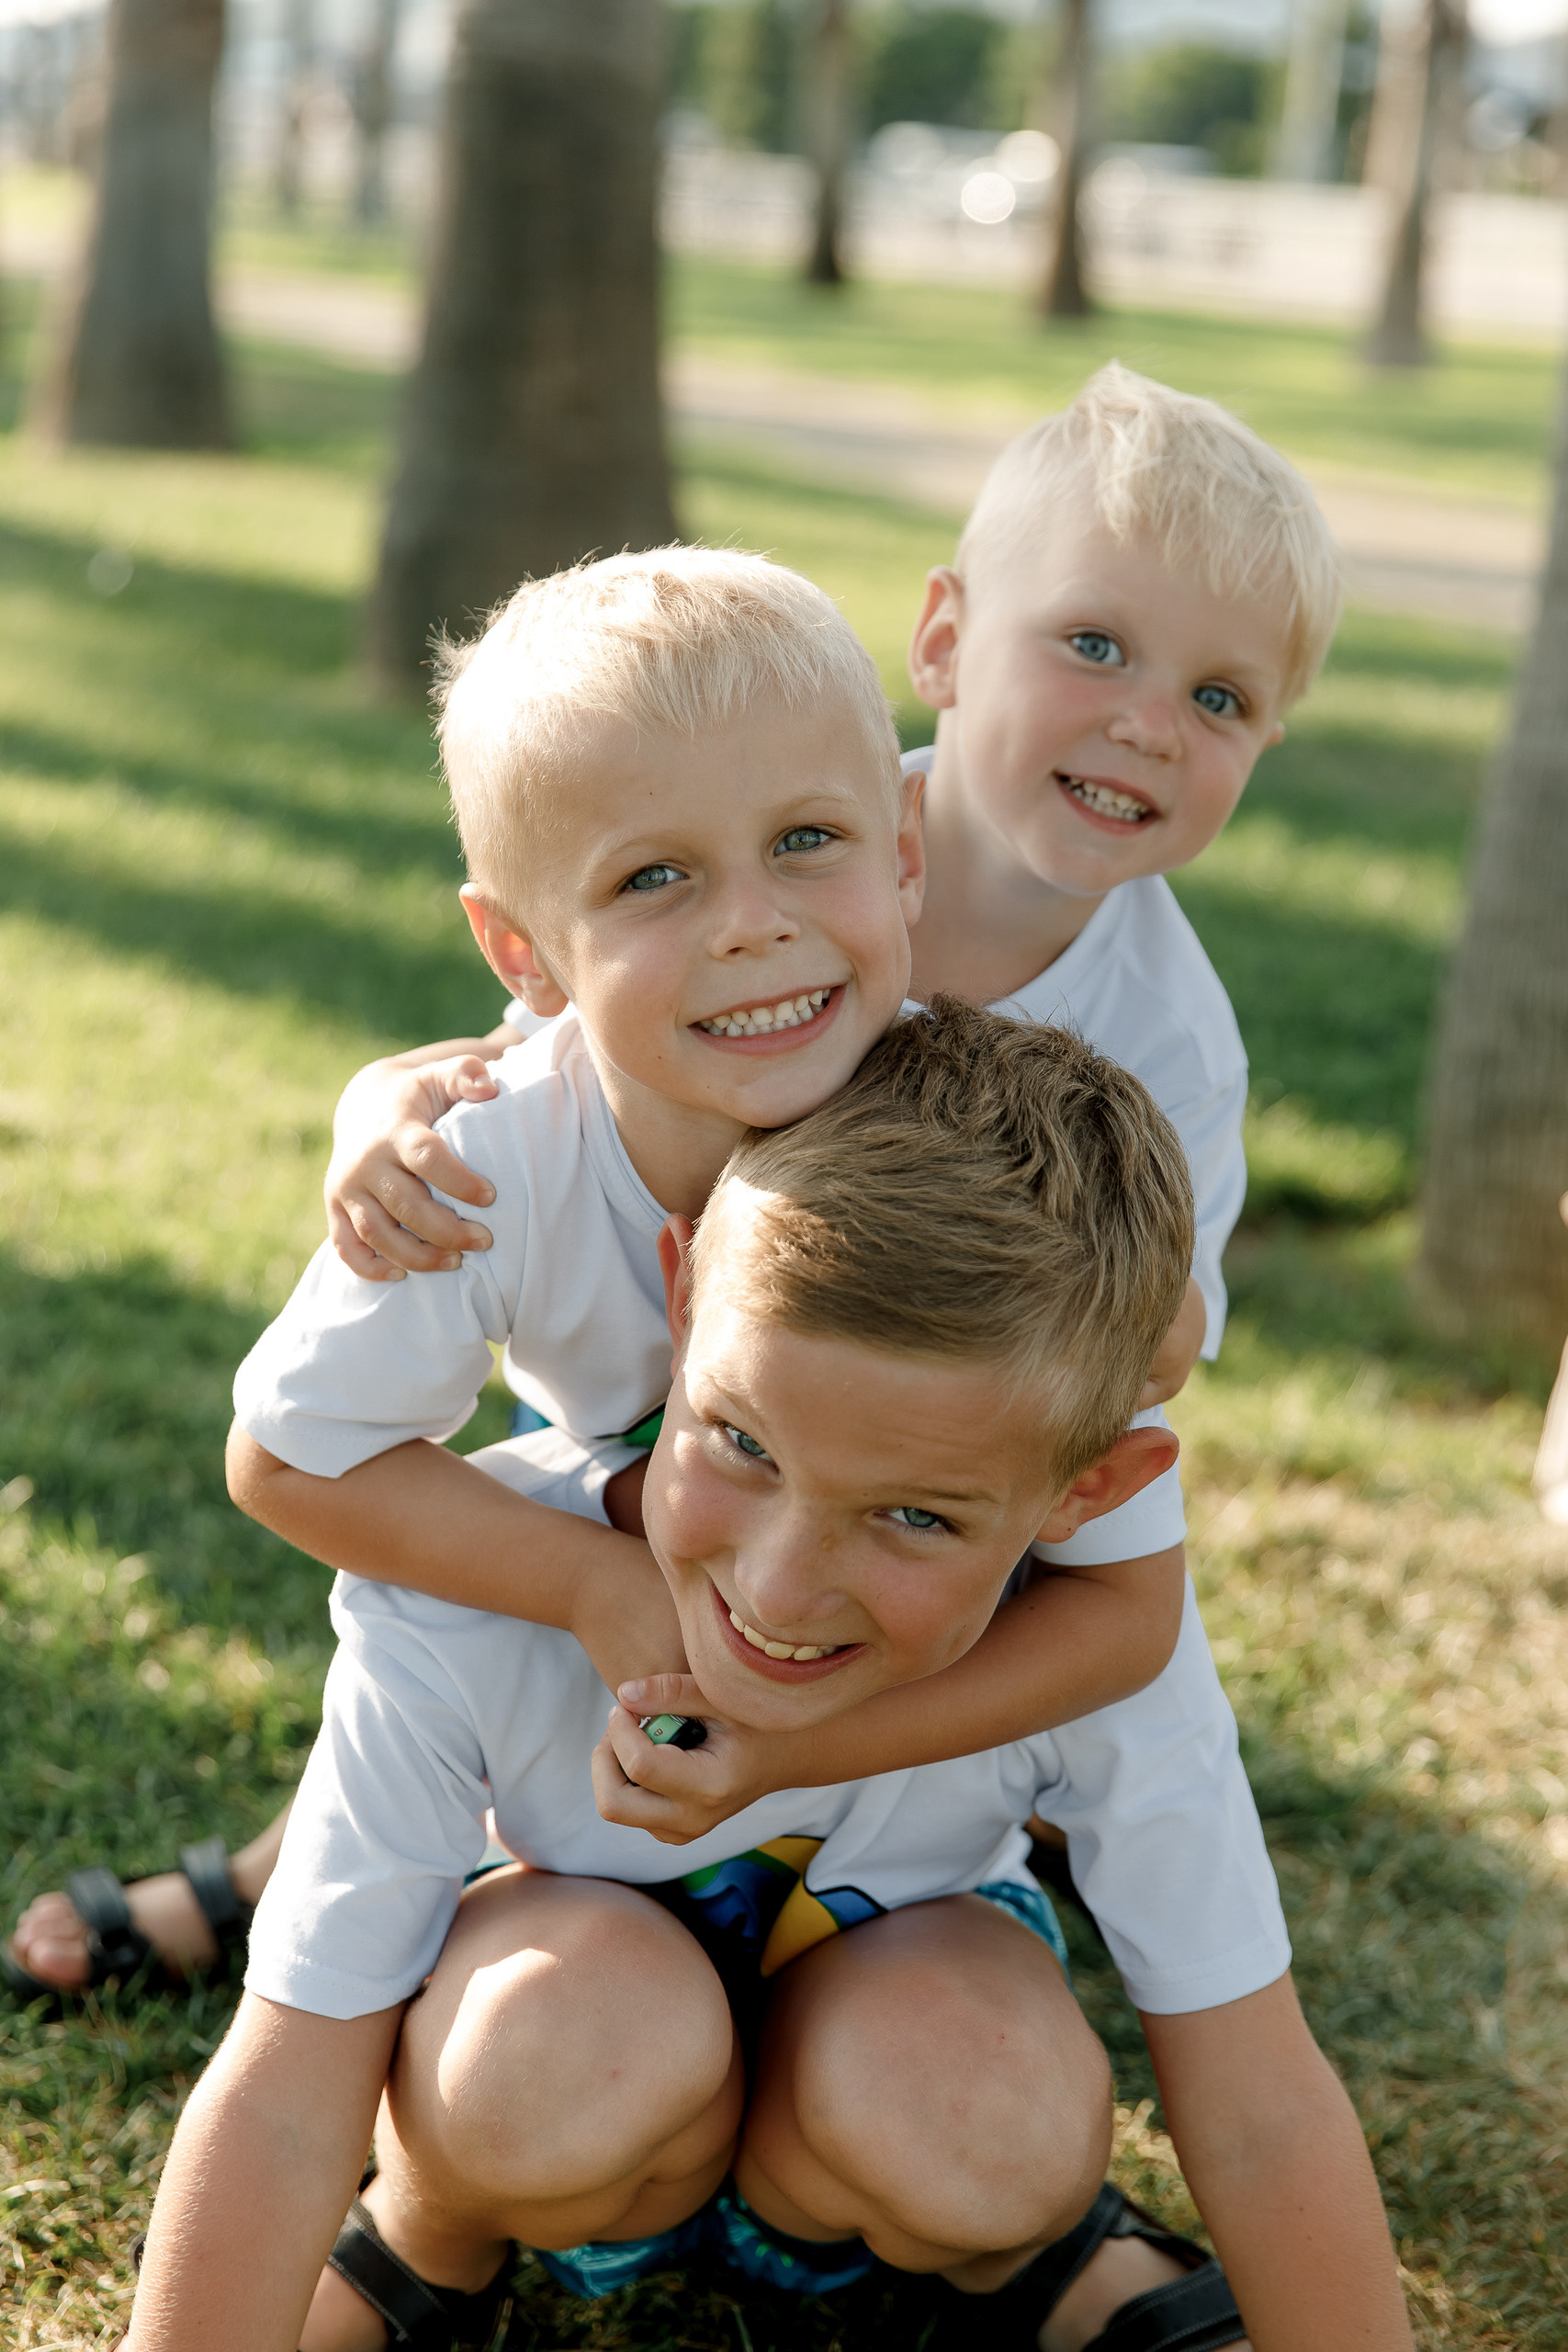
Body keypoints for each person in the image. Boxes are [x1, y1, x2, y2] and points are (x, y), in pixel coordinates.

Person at [8, 363, 1341, 1980]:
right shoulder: (797, 824)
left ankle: (952, 1828)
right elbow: (548, 1029)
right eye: (1094, 644)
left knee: (992, 1625)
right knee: (490, 1621)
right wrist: (381, 1108)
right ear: (943, 640)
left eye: (1221, 700)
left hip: (904, 1468)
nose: (1146, 718)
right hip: (638, 1405)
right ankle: (284, 1882)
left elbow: (1145, 1356)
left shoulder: (1169, 1038)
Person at [123, 1006, 1412, 2352]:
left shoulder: (1084, 1651)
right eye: (740, 1442)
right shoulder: (470, 1586)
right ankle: (434, 2223)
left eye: (917, 1517)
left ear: (1090, 1489)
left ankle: (1013, 2247)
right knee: (528, 2062)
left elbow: (1261, 2099)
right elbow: (285, 2084)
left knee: (1001, 2128)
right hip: (577, 2039)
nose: (781, 1591)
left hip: (880, 2046)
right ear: (683, 1302)